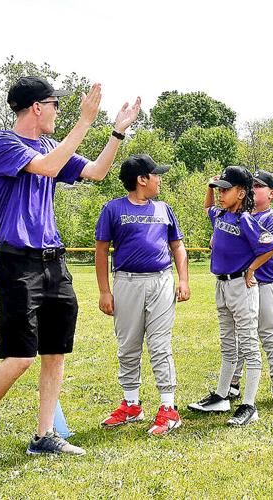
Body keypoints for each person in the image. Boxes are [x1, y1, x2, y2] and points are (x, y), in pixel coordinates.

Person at [0, 76, 140, 460]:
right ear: (37, 107)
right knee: (20, 356)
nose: (58, 112)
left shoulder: (49, 146)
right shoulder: (1, 143)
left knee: (55, 350)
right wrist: (85, 121)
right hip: (18, 261)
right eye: (54, 105)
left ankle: (44, 435)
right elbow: (45, 167)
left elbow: (96, 172)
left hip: (53, 260)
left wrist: (117, 132)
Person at [94, 155, 189, 436]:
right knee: (128, 346)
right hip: (127, 282)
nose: (159, 179)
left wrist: (183, 279)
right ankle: (132, 404)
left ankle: (168, 408)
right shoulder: (113, 209)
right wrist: (104, 291)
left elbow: (177, 246)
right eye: (155, 174)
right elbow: (101, 250)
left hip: (160, 281)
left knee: (160, 345)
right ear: (142, 179)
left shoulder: (164, 208)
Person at [188, 166, 273, 426]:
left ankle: (249, 405)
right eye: (220, 190)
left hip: (241, 286)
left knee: (248, 345)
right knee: (228, 344)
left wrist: (252, 268)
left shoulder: (245, 220)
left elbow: (272, 245)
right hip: (222, 284)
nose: (220, 194)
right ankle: (221, 396)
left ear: (241, 193)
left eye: (225, 190)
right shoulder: (221, 214)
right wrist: (210, 186)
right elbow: (208, 207)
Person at [228, 170, 273, 410]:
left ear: (272, 194)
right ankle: (232, 384)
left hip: (265, 282)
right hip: (242, 284)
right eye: (251, 186)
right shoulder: (238, 215)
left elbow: (269, 246)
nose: (253, 189)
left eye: (258, 186)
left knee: (268, 333)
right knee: (239, 335)